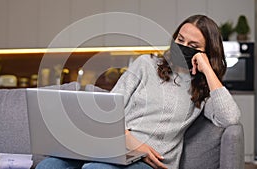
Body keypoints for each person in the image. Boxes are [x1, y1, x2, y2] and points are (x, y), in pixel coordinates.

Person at [35, 14, 240, 169]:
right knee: (49, 165)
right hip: (116, 149)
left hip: (152, 163)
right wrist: (131, 143)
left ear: (206, 53)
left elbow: (230, 117)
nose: (183, 47)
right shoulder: (146, 65)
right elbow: (110, 110)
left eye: (193, 46)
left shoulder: (203, 89)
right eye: (180, 39)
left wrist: (207, 71)